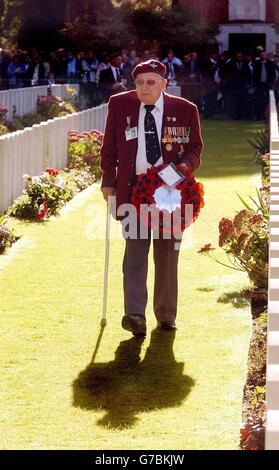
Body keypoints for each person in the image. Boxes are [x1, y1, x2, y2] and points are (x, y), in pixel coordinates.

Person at [100, 59, 203, 336]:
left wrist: (183, 168)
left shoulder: (184, 109)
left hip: (170, 192)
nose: (144, 88)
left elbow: (195, 148)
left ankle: (166, 315)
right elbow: (108, 147)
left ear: (164, 84)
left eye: (150, 82)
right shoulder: (120, 105)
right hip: (133, 191)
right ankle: (135, 315)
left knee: (168, 255)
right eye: (139, 82)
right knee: (134, 254)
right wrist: (108, 182)